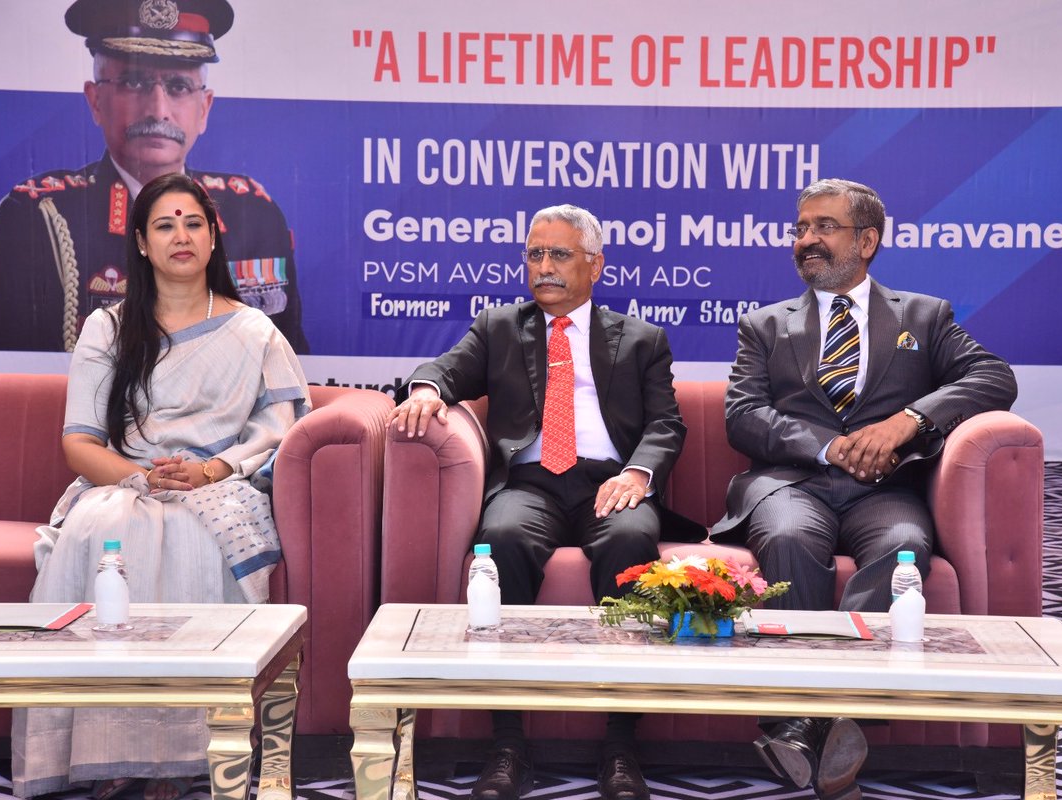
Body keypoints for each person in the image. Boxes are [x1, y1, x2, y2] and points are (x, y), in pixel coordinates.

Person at [710, 178, 1018, 800]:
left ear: (868, 240)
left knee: (903, 544)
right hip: (792, 482)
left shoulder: (923, 317)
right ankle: (821, 713)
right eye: (800, 229)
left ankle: (806, 722)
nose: (806, 241)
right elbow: (742, 415)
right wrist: (827, 447)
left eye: (823, 227)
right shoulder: (766, 324)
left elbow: (994, 376)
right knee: (792, 537)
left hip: (885, 488)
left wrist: (909, 421)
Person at [10, 173, 310, 800]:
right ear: (142, 243)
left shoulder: (253, 330)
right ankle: (110, 752)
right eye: (165, 225)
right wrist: (140, 477)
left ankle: (178, 757)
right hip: (125, 481)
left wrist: (210, 470)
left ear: (212, 236)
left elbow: (281, 430)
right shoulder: (108, 327)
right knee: (109, 527)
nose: (181, 236)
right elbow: (80, 443)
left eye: (193, 222)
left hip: (219, 484)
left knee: (189, 537)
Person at [388, 204, 687, 800]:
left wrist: (636, 473)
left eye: (559, 255)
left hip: (610, 480)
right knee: (499, 542)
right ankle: (508, 745)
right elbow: (446, 369)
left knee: (631, 542)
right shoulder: (500, 326)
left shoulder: (641, 339)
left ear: (595, 265)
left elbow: (667, 424)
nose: (543, 267)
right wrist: (425, 389)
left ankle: (621, 746)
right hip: (530, 483)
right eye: (534, 255)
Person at [0, 0, 307, 353]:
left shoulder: (252, 214)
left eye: (179, 86)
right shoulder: (36, 217)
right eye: (134, 81)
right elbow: (20, 384)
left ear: (205, 108)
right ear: (95, 100)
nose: (158, 110)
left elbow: (288, 368)